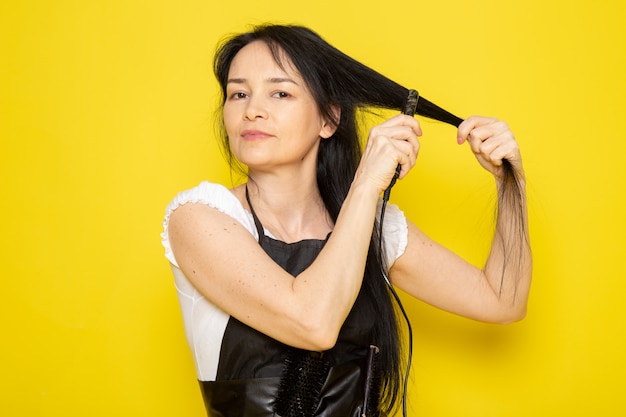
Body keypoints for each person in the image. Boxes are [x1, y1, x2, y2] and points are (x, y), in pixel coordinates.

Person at [161, 24, 532, 417]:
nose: (252, 109)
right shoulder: (199, 217)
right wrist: (368, 181)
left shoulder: (373, 225)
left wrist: (510, 182)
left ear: (329, 119)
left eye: (280, 92)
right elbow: (313, 323)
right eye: (238, 93)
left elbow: (502, 300)